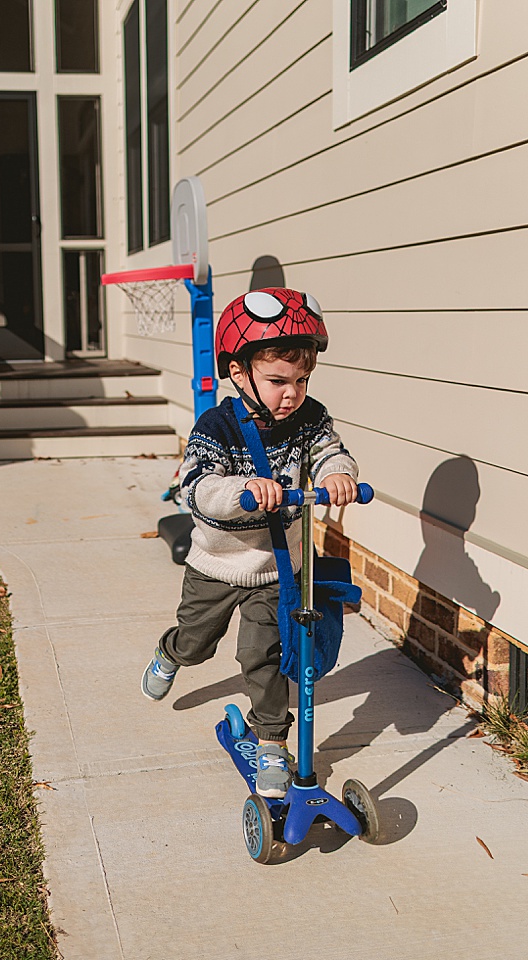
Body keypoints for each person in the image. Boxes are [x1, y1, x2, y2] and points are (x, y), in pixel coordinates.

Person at [140, 288, 359, 799]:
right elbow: (196, 487)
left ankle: (272, 743)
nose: (292, 394)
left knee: (264, 655)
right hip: (217, 564)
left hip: (277, 568)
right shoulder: (216, 426)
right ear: (239, 373)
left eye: (301, 380)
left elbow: (331, 451)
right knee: (197, 642)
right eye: (278, 381)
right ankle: (170, 652)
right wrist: (244, 490)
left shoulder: (309, 418)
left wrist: (339, 473)